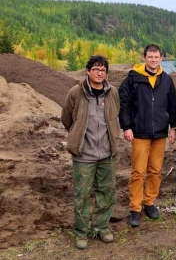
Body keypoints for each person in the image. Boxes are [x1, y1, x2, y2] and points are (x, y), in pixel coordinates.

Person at [61, 55, 120, 249]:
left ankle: (101, 227)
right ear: (88, 71)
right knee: (82, 195)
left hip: (107, 153)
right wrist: (77, 134)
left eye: (103, 70)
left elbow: (115, 116)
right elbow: (66, 118)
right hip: (83, 154)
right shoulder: (76, 92)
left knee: (107, 192)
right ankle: (81, 232)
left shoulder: (112, 93)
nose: (99, 73)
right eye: (95, 69)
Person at [119, 44, 176, 227]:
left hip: (160, 133)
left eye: (156, 57)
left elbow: (172, 105)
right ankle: (135, 208)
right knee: (138, 172)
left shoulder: (166, 80)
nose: (153, 60)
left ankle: (150, 203)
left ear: (161, 58)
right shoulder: (132, 79)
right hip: (140, 133)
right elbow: (124, 104)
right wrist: (126, 127)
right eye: (150, 57)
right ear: (144, 57)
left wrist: (173, 127)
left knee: (155, 170)